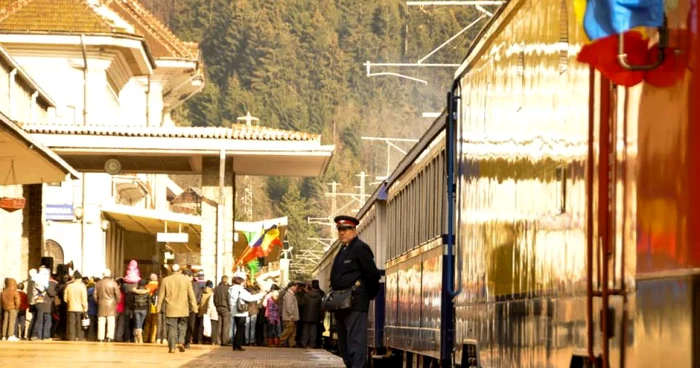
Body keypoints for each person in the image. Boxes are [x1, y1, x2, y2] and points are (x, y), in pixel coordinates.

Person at [330, 215, 381, 368]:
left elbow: (372, 275)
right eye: (340, 229)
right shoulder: (342, 250)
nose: (342, 233)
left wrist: (365, 296)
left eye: (346, 229)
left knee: (356, 343)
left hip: (355, 303)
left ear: (354, 230)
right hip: (340, 304)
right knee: (344, 343)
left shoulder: (360, 248)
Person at [156, 264, 197, 353]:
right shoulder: (186, 280)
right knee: (182, 326)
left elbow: (161, 296)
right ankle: (181, 342)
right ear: (180, 270)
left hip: (171, 308)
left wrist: (158, 308)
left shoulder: (165, 280)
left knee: (172, 327)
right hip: (183, 308)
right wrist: (194, 307)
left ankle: (172, 347)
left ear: (171, 270)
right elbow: (191, 295)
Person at [228, 274, 263, 351]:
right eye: (243, 282)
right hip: (241, 311)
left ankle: (235, 345)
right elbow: (250, 298)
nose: (244, 284)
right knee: (241, 328)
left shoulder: (230, 289)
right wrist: (260, 295)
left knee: (237, 328)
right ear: (240, 282)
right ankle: (238, 345)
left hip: (234, 310)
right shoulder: (241, 290)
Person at [95, 269, 120, 342]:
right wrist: (116, 302)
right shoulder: (113, 283)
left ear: (103, 274)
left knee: (101, 322)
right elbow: (118, 295)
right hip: (111, 305)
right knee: (111, 321)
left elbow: (94, 295)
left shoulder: (98, 283)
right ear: (109, 275)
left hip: (101, 304)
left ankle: (100, 337)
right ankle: (109, 337)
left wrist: (98, 302)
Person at [64, 270, 87, 341]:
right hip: (80, 308)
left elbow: (65, 298)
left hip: (71, 307)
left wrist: (70, 303)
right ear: (80, 279)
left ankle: (71, 337)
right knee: (79, 324)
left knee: (71, 324)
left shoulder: (69, 286)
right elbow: (84, 299)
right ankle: (79, 337)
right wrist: (85, 308)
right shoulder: (82, 286)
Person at [129, 279, 150, 343]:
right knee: (140, 323)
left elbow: (131, 301)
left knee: (137, 323)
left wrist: (132, 308)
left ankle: (137, 337)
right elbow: (149, 302)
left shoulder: (134, 292)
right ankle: (139, 337)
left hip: (136, 309)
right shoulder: (147, 292)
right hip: (144, 309)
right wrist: (148, 310)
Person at [279, 281, 299, 348]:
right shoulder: (289, 295)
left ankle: (292, 343)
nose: (296, 288)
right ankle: (281, 341)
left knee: (293, 331)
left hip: (292, 316)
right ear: (292, 287)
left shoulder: (291, 294)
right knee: (288, 330)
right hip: (289, 317)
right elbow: (288, 306)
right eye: (295, 286)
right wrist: (291, 315)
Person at [213, 275, 231, 346]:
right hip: (225, 308)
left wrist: (216, 306)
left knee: (219, 325)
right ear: (226, 280)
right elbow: (228, 299)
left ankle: (218, 340)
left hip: (218, 308)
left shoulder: (216, 288)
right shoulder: (227, 289)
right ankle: (225, 341)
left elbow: (214, 299)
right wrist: (229, 308)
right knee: (226, 326)